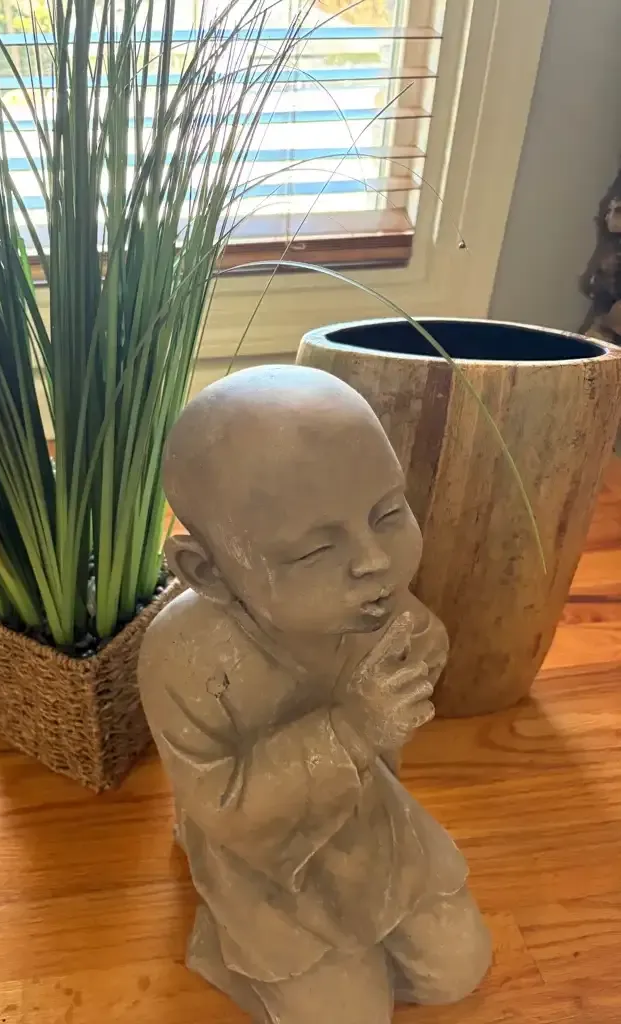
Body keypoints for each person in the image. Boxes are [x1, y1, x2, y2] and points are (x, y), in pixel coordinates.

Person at [139, 365, 491, 1024]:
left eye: (388, 513)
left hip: (369, 824)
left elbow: (422, 640)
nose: (373, 560)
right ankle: (228, 942)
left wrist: (416, 666)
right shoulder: (182, 657)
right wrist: (352, 730)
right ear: (206, 570)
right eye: (312, 552)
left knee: (455, 971)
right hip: (262, 858)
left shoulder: (373, 603)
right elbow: (218, 802)